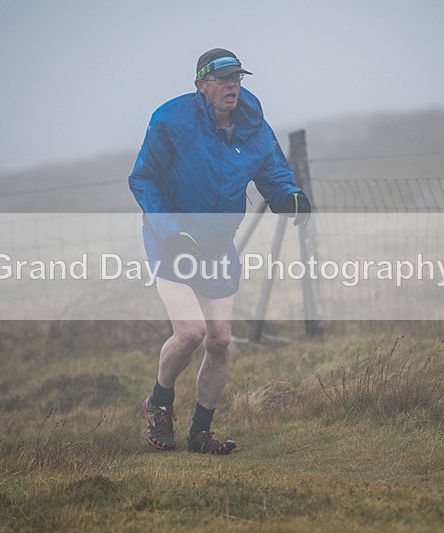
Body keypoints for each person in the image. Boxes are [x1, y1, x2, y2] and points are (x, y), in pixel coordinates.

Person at [128, 48, 311, 455]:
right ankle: (158, 404)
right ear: (201, 85)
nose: (232, 86)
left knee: (221, 341)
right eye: (223, 79)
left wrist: (291, 197)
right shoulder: (171, 120)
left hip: (216, 244)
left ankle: (200, 434)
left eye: (237, 78)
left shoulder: (253, 125)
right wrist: (170, 231)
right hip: (172, 240)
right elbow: (144, 179)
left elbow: (273, 174)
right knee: (191, 333)